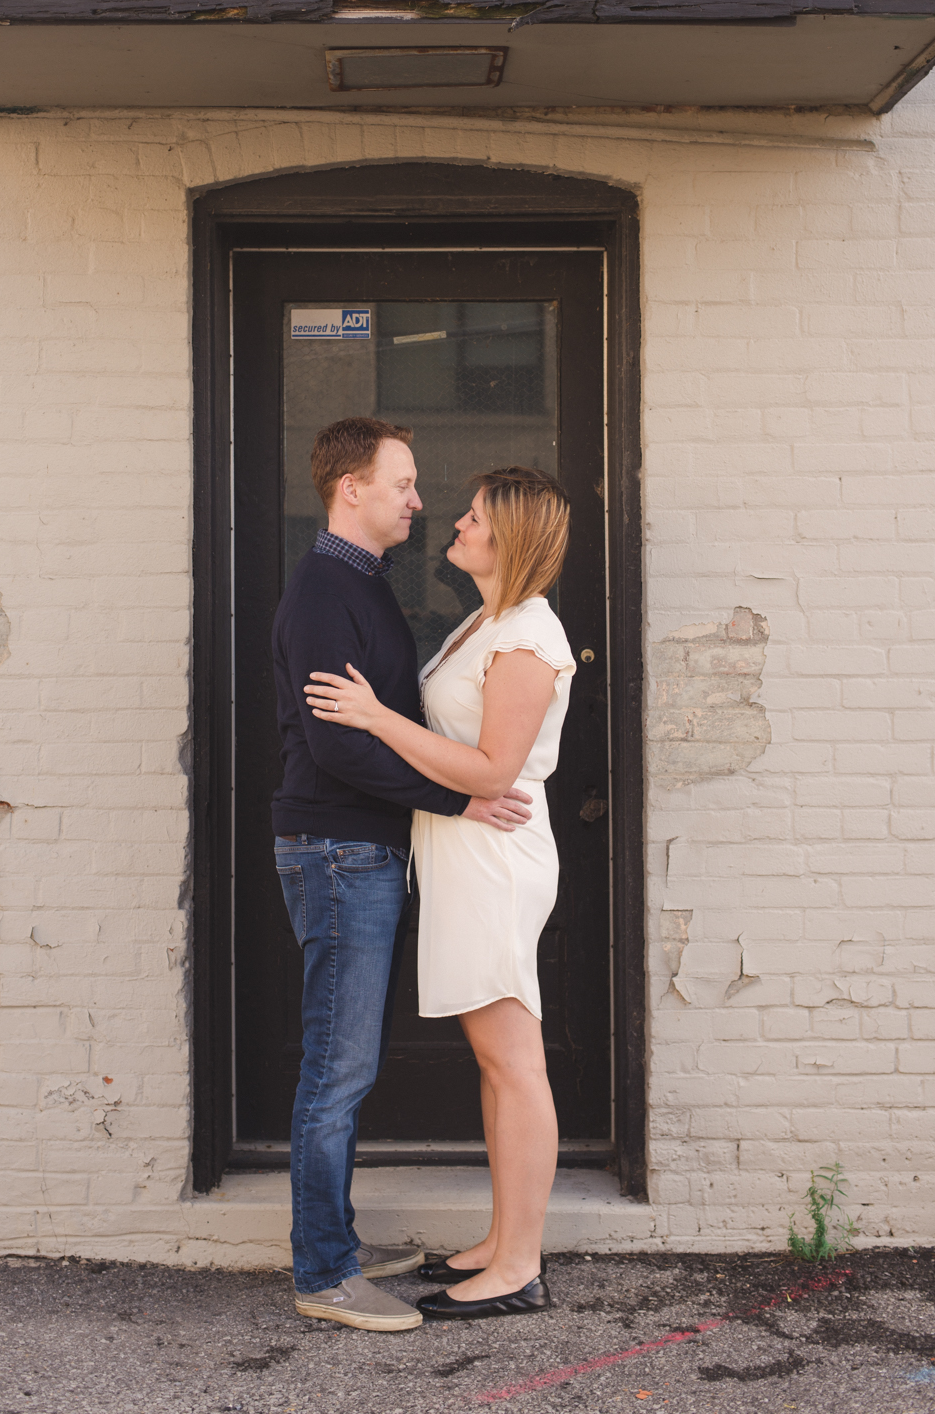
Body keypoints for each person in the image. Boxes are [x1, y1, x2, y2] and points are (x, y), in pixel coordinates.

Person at [272, 418, 537, 1334]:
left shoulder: (363, 588)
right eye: (404, 485)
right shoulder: (322, 592)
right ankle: (325, 1273)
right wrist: (459, 803)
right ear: (351, 488)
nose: (419, 503)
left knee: (346, 1065)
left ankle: (333, 1243)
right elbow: (337, 747)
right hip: (339, 848)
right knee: (336, 1073)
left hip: (363, 849)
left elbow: (381, 722)